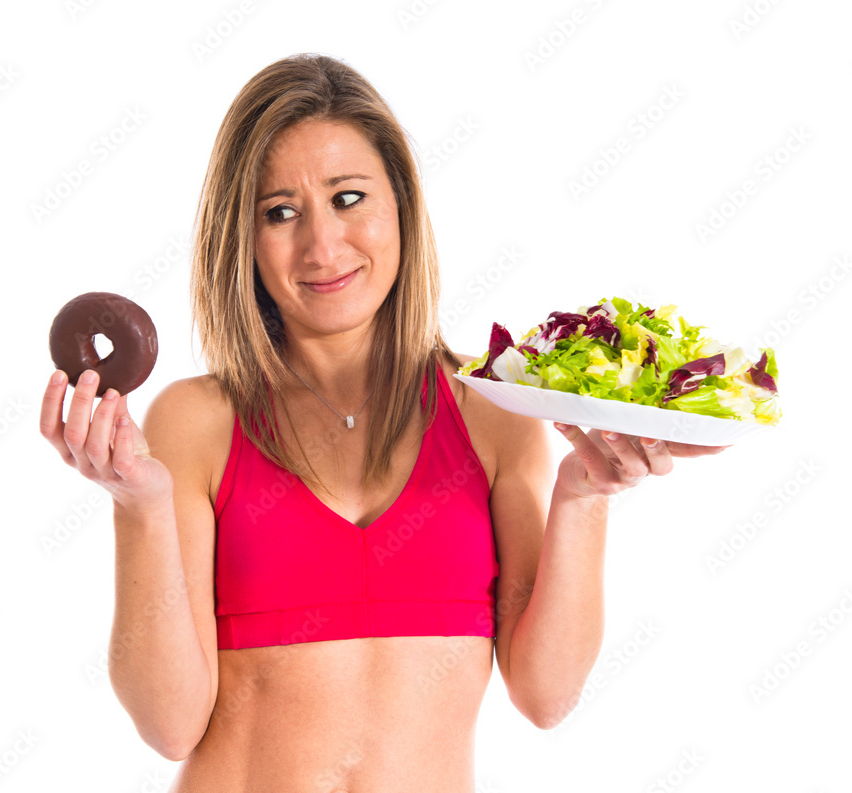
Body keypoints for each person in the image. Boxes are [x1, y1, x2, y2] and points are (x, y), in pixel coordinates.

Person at [39, 53, 727, 792]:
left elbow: (546, 695)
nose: (322, 246)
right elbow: (169, 724)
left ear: (401, 204)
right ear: (242, 237)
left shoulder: (493, 413)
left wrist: (585, 495)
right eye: (280, 212)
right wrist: (139, 506)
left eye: (348, 198)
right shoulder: (198, 421)